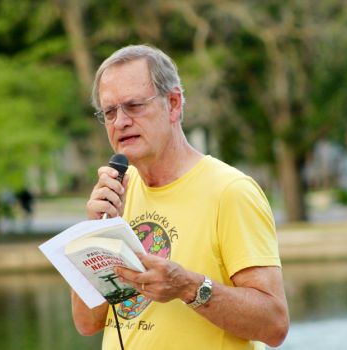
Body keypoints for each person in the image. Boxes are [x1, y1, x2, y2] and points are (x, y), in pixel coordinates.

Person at [71, 44, 289, 350]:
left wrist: (188, 287)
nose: (120, 121)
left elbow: (274, 325)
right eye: (109, 111)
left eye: (134, 106)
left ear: (173, 104)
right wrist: (93, 230)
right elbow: (87, 322)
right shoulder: (118, 192)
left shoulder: (230, 191)